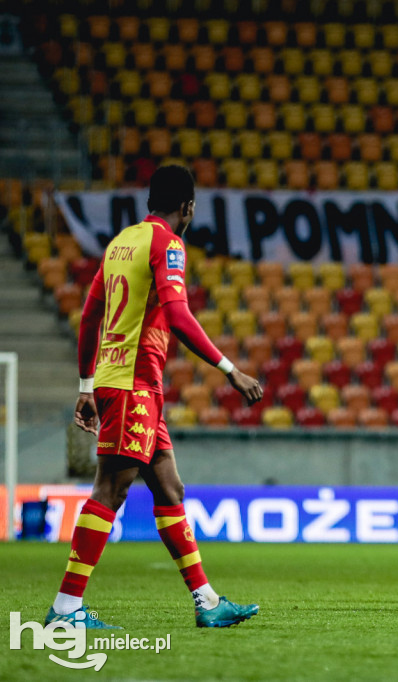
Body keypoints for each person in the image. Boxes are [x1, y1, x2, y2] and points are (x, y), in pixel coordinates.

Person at [47, 165, 264, 629]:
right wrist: (231, 370)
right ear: (187, 206)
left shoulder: (121, 242)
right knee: (111, 489)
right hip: (132, 384)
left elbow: (90, 317)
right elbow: (179, 315)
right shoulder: (168, 244)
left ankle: (207, 602)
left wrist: (87, 385)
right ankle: (65, 611)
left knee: (169, 488)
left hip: (122, 381)